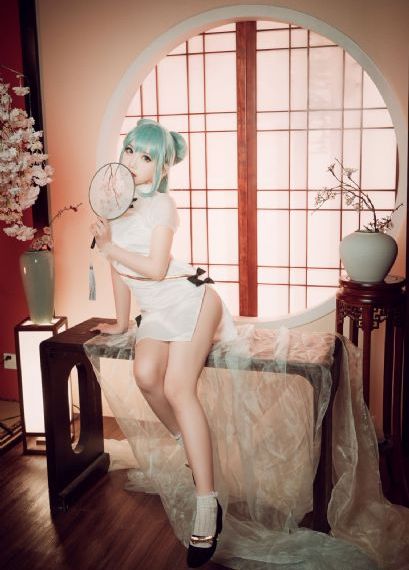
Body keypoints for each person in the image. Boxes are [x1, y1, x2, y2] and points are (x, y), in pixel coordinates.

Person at [90, 118, 236, 568]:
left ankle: (207, 504)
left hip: (191, 296)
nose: (134, 161)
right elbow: (118, 273)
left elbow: (154, 269)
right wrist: (121, 321)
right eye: (130, 150)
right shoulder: (113, 205)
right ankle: (192, 447)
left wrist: (109, 247)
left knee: (177, 387)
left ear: (162, 167)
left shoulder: (162, 206)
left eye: (146, 156)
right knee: (145, 375)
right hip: (155, 310)